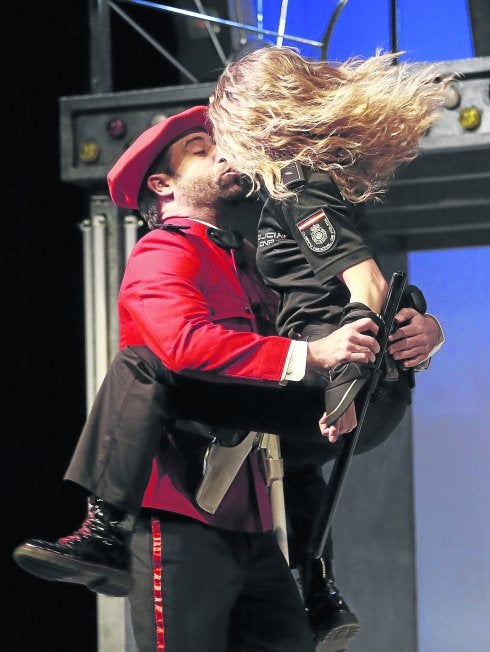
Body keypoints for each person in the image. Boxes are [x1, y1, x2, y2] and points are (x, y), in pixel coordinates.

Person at [13, 106, 442, 652]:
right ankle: (103, 530)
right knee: (141, 363)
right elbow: (181, 348)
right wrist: (310, 356)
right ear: (163, 185)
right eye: (199, 148)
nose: (222, 151)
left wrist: (424, 329)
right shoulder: (165, 250)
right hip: (184, 509)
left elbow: (334, 306)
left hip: (256, 517)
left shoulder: (248, 257)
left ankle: (317, 580)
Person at [207, 45, 447, 649]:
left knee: (179, 389)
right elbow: (379, 289)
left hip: (339, 384)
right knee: (288, 466)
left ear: (251, 116)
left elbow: (365, 285)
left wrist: (342, 386)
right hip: (373, 394)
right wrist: (429, 329)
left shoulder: (295, 187)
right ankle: (317, 585)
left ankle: (123, 525)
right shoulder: (301, 187)